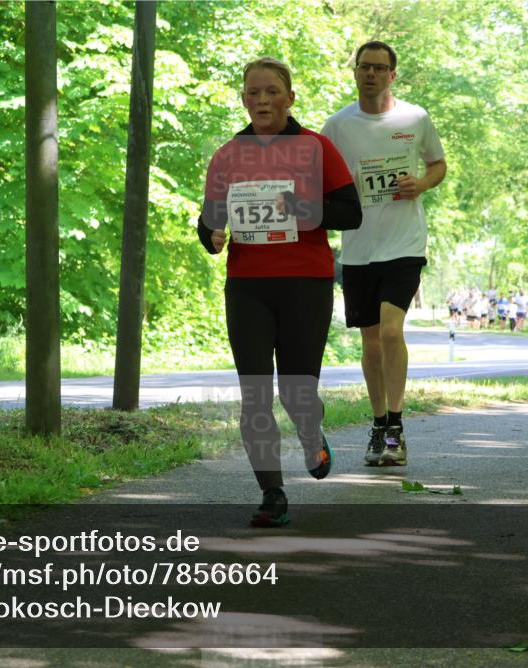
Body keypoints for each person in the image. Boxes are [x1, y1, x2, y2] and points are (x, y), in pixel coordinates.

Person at [198, 57, 361, 526]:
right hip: (248, 286)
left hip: (305, 284)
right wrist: (211, 234)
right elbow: (209, 218)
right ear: (244, 99)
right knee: (254, 394)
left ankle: (311, 432)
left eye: (272, 92)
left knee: (296, 392)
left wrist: (303, 206)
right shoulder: (228, 155)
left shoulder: (317, 148)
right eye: (253, 92)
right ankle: (273, 493)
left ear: (290, 98)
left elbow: (351, 213)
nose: (262, 100)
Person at [321, 40, 446, 467]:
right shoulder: (336, 127)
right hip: (358, 248)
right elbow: (319, 181)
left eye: (379, 67)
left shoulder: (415, 118)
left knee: (392, 332)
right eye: (364, 67)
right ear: (354, 72)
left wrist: (422, 184)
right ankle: (378, 425)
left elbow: (438, 164)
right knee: (371, 342)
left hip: (404, 243)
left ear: (393, 74)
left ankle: (395, 426)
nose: (370, 74)